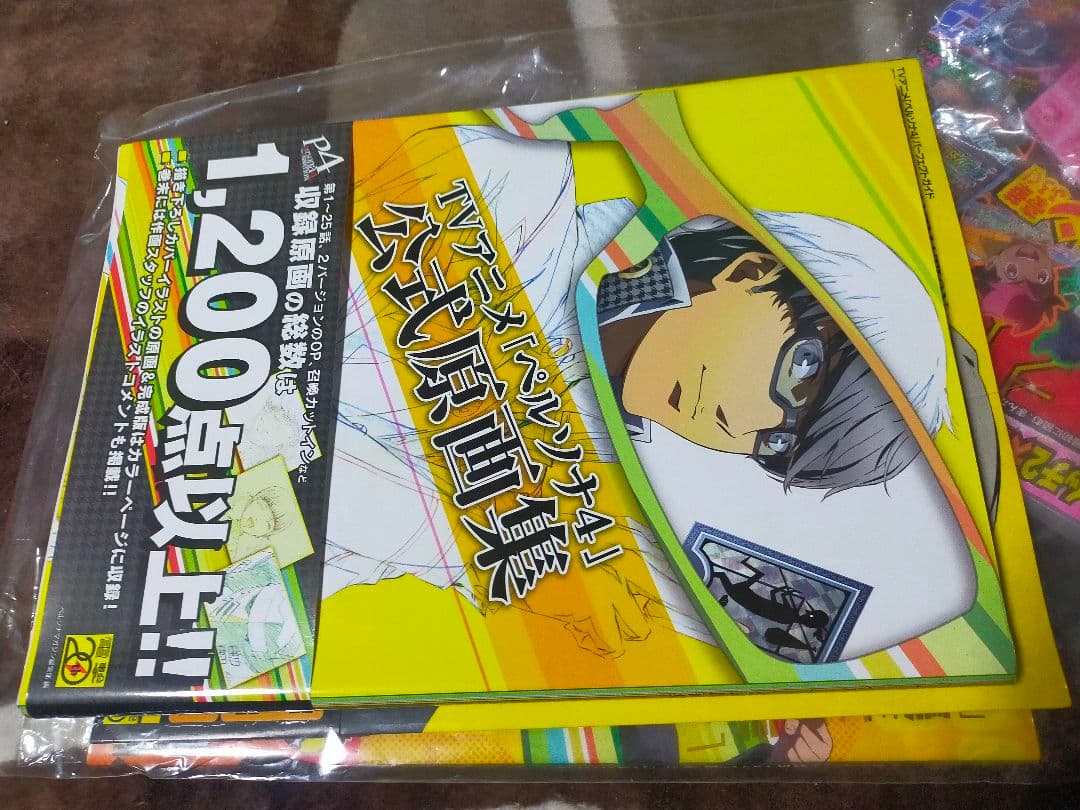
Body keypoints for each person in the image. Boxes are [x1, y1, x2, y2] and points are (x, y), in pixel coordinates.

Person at [598, 215, 945, 494]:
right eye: (802, 368)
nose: (735, 427)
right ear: (752, 272)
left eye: (777, 443)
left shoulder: (599, 453)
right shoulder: (603, 226)